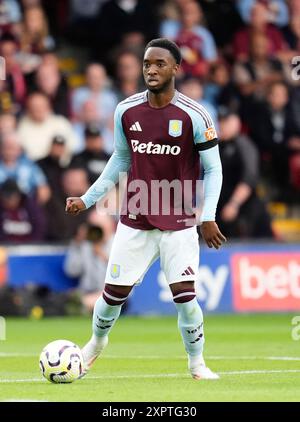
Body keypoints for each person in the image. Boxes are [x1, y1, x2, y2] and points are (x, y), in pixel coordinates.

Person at [66, 38, 226, 380]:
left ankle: (197, 364)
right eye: (146, 64)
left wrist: (208, 216)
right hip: (136, 219)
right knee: (112, 297)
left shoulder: (195, 115)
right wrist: (88, 198)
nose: (151, 70)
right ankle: (95, 343)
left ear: (176, 69)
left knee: (185, 298)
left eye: (159, 64)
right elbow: (121, 158)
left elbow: (213, 169)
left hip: (180, 222)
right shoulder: (126, 110)